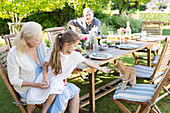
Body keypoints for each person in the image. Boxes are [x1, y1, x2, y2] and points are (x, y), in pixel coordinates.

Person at [27, 30, 111, 113]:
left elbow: (87, 62)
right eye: (75, 46)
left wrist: (100, 68)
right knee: (46, 92)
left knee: (58, 89)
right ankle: (44, 110)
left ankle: (44, 111)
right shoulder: (54, 53)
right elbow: (45, 66)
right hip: (48, 78)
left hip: (58, 80)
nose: (76, 48)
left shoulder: (75, 55)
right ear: (67, 45)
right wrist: (45, 78)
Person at [7, 22, 48, 113]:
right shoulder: (14, 54)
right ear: (26, 40)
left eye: (41, 38)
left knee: (71, 90)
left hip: (44, 80)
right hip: (29, 88)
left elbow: (47, 62)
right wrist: (35, 85)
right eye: (37, 40)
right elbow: (13, 80)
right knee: (59, 95)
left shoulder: (40, 45)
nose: (41, 42)